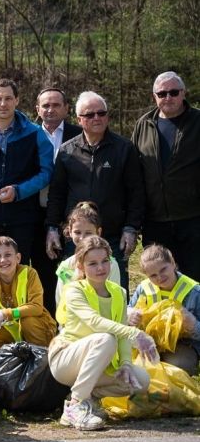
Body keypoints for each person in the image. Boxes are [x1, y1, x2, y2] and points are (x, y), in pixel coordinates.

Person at [49, 235, 155, 431]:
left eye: (105, 261)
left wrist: (125, 363)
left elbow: (122, 334)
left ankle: (89, 399)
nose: (101, 268)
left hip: (99, 361)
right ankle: (76, 405)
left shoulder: (119, 292)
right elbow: (94, 321)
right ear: (81, 266)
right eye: (93, 263)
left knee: (141, 380)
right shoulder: (73, 290)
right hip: (64, 359)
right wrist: (135, 333)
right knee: (106, 339)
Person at [46, 91, 144, 292]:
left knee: (115, 289)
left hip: (113, 236)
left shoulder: (124, 149)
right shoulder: (66, 151)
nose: (97, 118)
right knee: (76, 291)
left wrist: (131, 228)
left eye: (101, 113)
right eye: (90, 115)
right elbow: (57, 193)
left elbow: (136, 192)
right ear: (79, 119)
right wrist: (52, 228)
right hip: (77, 237)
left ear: (108, 116)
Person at [0, 79, 54, 264]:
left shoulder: (35, 133)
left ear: (17, 100)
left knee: (20, 270)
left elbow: (46, 172)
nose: (3, 104)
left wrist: (19, 191)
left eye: (8, 98)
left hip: (23, 218)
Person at [131, 71, 200, 279]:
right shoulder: (143, 125)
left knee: (194, 278)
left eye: (173, 92)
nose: (168, 97)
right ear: (154, 96)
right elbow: (135, 174)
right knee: (160, 279)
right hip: (155, 221)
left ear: (183, 93)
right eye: (162, 93)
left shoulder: (197, 121)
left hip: (193, 218)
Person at [30, 88, 82, 310]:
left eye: (56, 105)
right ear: (38, 109)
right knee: (41, 269)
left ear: (66, 109)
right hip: (34, 210)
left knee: (70, 268)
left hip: (68, 213)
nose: (50, 110)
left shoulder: (79, 134)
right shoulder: (27, 134)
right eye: (46, 106)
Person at [128, 244, 200, 375]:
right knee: (134, 369)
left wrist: (193, 325)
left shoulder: (194, 292)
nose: (160, 277)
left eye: (163, 270)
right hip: (148, 342)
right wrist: (131, 315)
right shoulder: (143, 289)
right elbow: (127, 312)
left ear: (172, 263)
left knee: (177, 368)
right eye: (153, 275)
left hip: (182, 344)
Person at [0, 236, 56, 354]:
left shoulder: (29, 273)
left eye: (8, 255)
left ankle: (42, 359)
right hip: (9, 329)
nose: (3, 260)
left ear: (18, 258)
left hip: (35, 325)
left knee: (28, 322)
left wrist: (7, 313)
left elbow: (37, 308)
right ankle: (11, 359)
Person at [54, 202, 121, 317]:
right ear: (69, 231)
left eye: (88, 233)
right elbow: (60, 302)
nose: (82, 237)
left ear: (98, 232)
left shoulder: (110, 264)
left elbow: (116, 299)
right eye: (77, 232)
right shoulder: (65, 266)